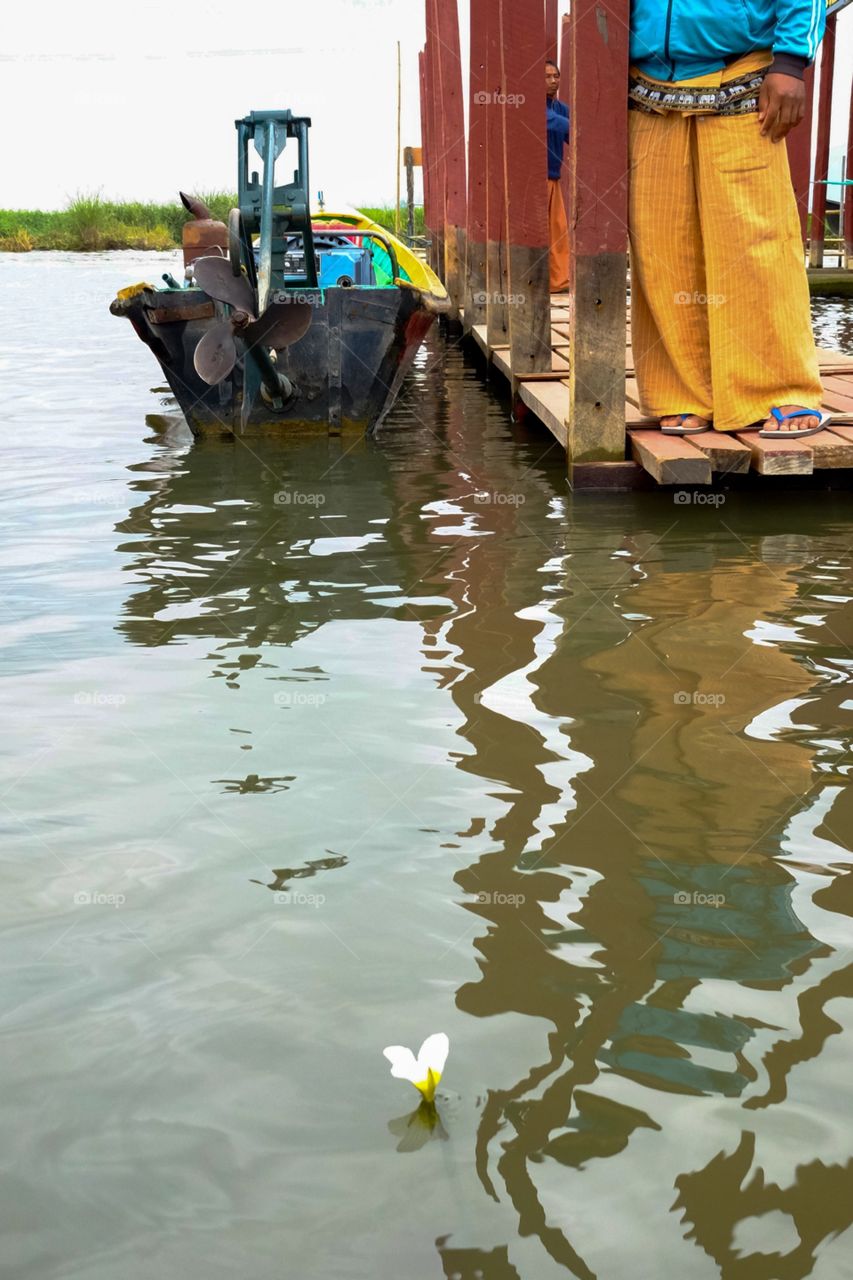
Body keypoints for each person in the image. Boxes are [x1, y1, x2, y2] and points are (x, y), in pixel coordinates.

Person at [628, 0, 829, 438]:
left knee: (756, 241)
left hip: (743, 74)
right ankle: (681, 392)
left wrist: (792, 62)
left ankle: (780, 388)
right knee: (660, 243)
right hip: (645, 83)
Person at [546, 60, 570, 294]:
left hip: (553, 178)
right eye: (547, 77)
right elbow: (554, 123)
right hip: (533, 182)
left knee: (558, 231)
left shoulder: (561, 108)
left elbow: (575, 134)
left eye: (556, 76)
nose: (553, 81)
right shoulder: (531, 104)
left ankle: (558, 282)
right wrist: (579, 126)